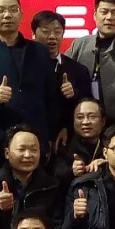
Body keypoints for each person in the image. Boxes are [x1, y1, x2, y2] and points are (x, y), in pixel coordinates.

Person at [0, 0, 59, 173]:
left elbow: (51, 97)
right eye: (0, 10)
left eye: (13, 10)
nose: (7, 15)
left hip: (35, 145)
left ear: (21, 14)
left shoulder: (39, 51)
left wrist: (50, 135)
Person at [31, 10, 91, 148]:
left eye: (57, 32)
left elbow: (88, 102)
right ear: (33, 34)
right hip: (31, 136)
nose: (52, 36)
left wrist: (74, 94)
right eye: (45, 31)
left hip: (65, 140)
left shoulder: (78, 69)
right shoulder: (24, 66)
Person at [48, 98, 107, 188]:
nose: (85, 122)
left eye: (92, 117)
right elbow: (55, 174)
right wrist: (72, 171)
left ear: (103, 122)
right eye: (80, 117)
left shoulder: (111, 144)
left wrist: (107, 165)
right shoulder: (64, 145)